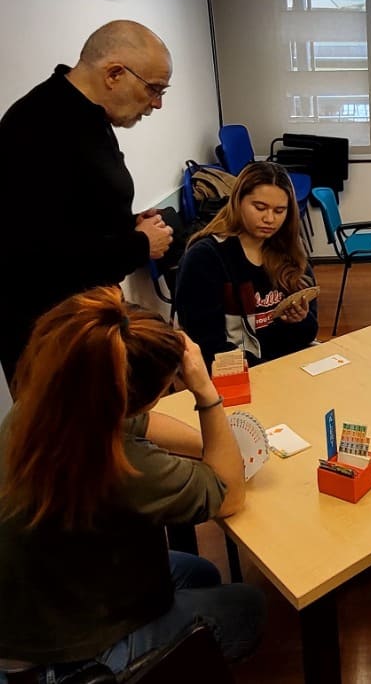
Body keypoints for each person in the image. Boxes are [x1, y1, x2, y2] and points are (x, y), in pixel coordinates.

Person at [0, 286, 266, 682]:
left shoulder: (52, 402)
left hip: (32, 607)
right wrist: (206, 393)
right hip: (57, 656)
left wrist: (211, 444)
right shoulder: (120, 464)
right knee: (249, 607)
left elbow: (143, 423)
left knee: (198, 573)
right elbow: (227, 493)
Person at [0, 20, 175, 387]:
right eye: (154, 89)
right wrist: (139, 245)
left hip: (83, 320)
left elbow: (71, 215)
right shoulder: (37, 128)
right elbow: (38, 254)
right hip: (50, 335)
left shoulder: (88, 116)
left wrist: (127, 224)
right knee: (69, 441)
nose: (157, 103)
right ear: (114, 73)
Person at [176, 161, 319, 370]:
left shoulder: (290, 250)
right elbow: (206, 346)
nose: (269, 219)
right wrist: (263, 372)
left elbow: (308, 331)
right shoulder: (205, 257)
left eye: (279, 211)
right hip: (234, 371)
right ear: (238, 202)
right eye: (259, 208)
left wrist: (299, 321)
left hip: (285, 363)